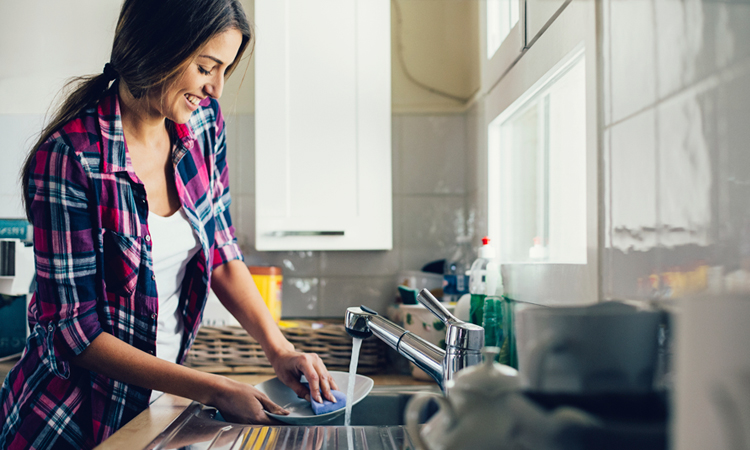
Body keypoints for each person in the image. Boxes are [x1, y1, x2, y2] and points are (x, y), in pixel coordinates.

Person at [0, 1, 339, 448]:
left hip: (158, 409)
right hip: (66, 423)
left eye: (224, 69)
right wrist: (213, 387)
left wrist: (279, 350)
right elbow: (75, 333)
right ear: (159, 49)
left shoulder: (202, 125)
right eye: (205, 68)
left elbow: (221, 252)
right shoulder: (70, 157)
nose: (216, 88)